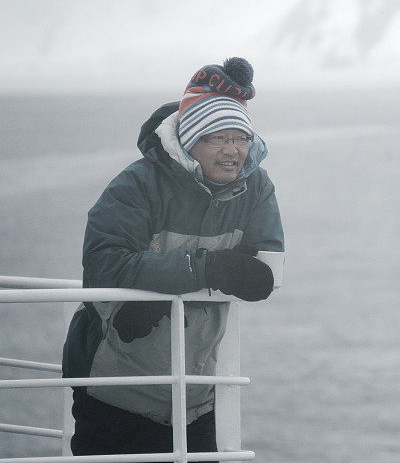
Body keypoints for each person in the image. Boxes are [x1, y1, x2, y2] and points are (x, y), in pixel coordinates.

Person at [62, 57, 284, 460]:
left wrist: (174, 276)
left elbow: (262, 274)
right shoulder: (138, 184)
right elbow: (104, 263)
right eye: (219, 138)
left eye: (241, 138)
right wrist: (208, 268)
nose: (233, 151)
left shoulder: (256, 187)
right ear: (189, 138)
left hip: (196, 397)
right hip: (113, 390)